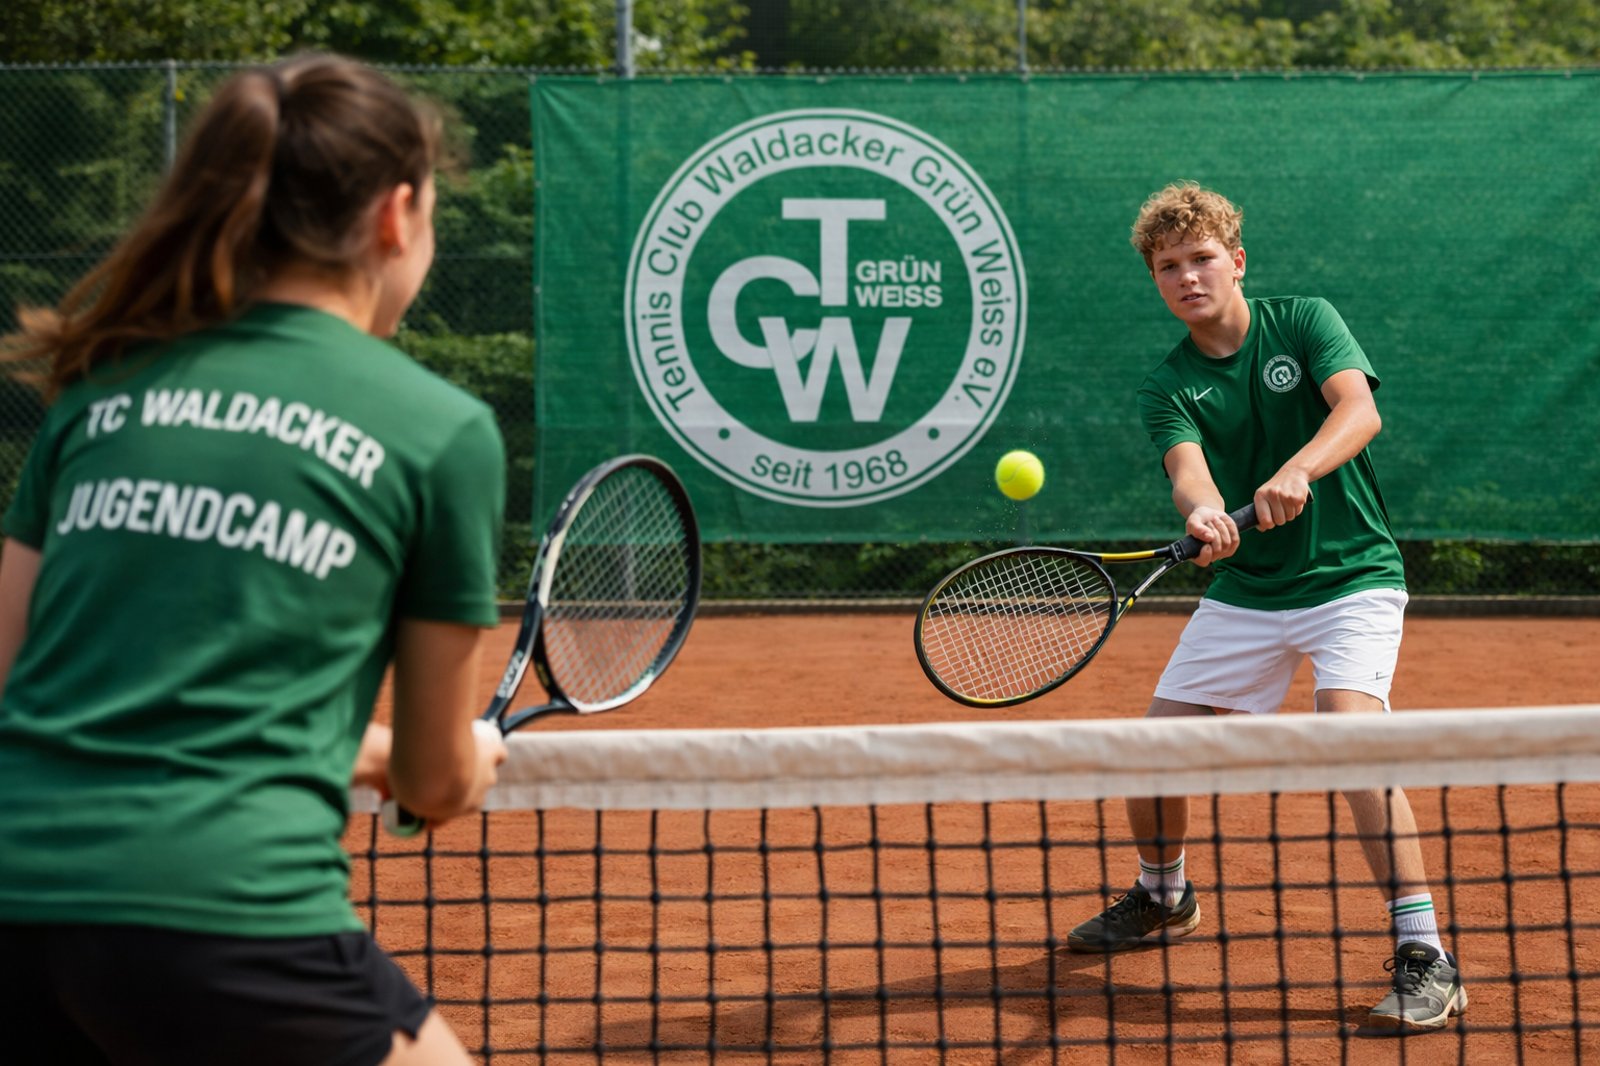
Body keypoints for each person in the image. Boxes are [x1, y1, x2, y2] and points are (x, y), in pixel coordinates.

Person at [0, 54, 508, 1065]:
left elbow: (21, 681)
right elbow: (436, 778)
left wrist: (353, 749)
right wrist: (467, 764)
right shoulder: (441, 431)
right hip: (222, 913)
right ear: (396, 217)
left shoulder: (100, 392)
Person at [1064, 181, 1466, 1034]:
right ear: (1157, 282)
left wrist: (1300, 470)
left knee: (1348, 734)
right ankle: (1165, 895)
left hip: (1352, 572)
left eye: (1203, 258)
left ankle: (1427, 953)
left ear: (1237, 261)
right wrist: (1204, 511)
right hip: (1248, 591)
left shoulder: (1304, 320)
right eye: (1168, 267)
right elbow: (1187, 470)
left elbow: (1358, 409)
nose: (1188, 276)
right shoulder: (1167, 384)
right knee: (1152, 751)